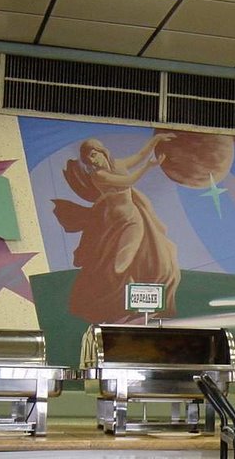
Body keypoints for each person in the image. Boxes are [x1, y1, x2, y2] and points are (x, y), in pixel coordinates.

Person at [57, 133, 180, 322]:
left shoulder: (119, 165)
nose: (92, 160)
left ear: (102, 152)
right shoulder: (99, 176)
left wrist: (156, 140)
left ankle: (136, 306)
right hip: (115, 225)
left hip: (132, 221)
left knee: (125, 261)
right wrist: (149, 166)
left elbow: (139, 156)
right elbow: (128, 182)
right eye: (88, 158)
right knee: (117, 265)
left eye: (93, 154)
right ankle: (124, 306)